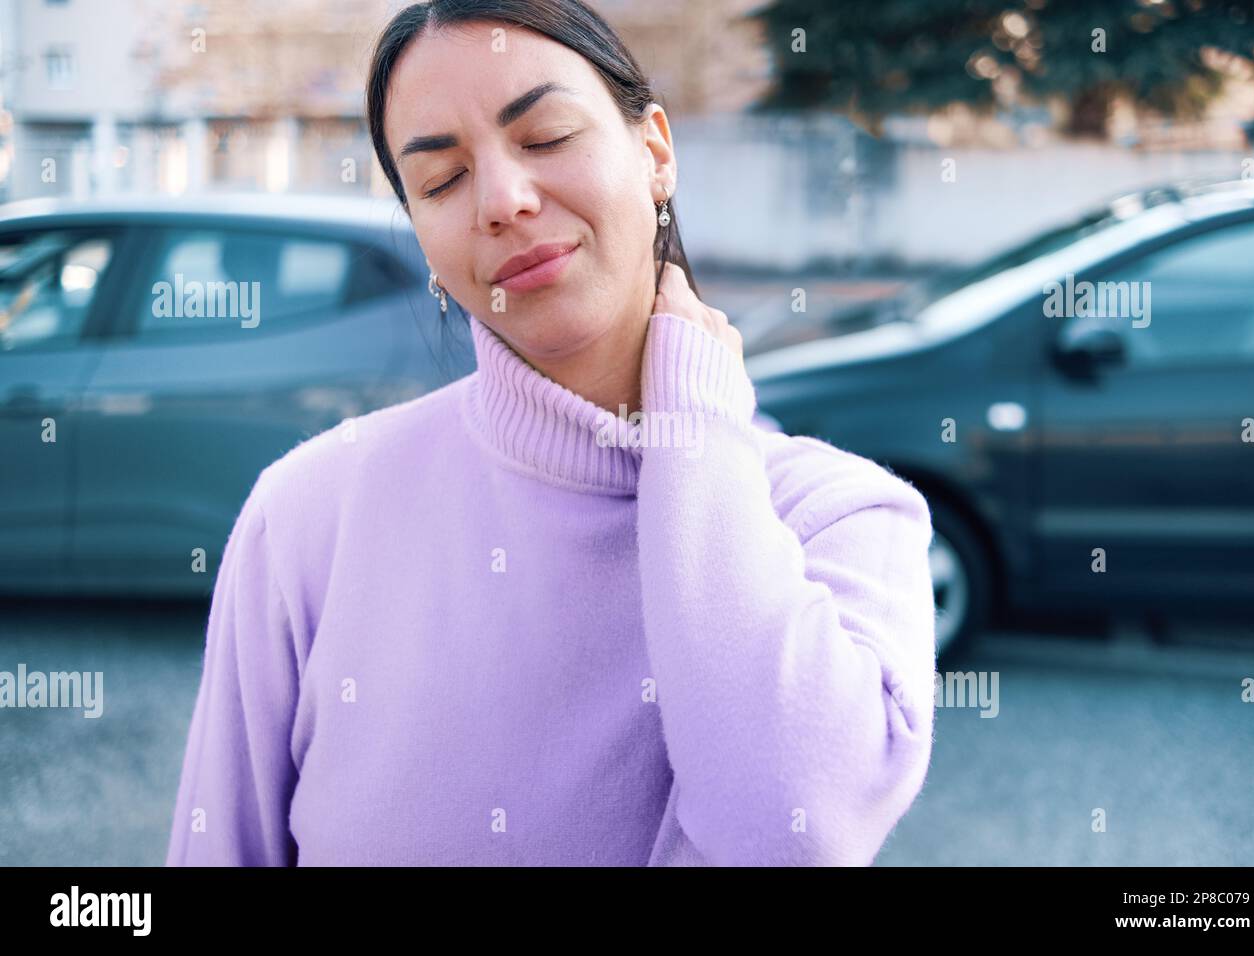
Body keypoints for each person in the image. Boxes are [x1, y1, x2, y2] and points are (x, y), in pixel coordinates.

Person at [165, 0, 937, 867]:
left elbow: (789, 834)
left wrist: (694, 434)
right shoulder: (311, 514)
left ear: (655, 153)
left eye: (544, 136)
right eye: (442, 181)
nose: (502, 200)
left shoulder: (838, 519)